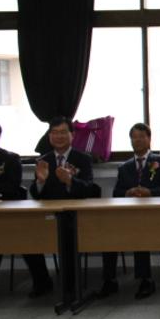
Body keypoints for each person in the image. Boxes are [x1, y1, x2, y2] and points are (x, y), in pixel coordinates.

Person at [98, 123, 160, 300]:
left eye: (141, 136)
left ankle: (145, 280)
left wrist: (150, 192)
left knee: (140, 230)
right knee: (107, 232)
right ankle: (109, 280)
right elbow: (117, 192)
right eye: (134, 137)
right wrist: (128, 192)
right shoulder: (124, 167)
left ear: (149, 139)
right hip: (129, 215)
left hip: (154, 215)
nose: (137, 140)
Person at [28, 116, 94, 299]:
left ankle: (71, 288)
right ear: (49, 136)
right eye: (54, 133)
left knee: (67, 233)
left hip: (74, 215)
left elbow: (90, 189)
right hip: (49, 215)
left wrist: (70, 181)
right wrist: (40, 182)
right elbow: (36, 194)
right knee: (26, 234)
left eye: (63, 132)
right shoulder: (43, 160)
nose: (59, 136)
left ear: (72, 135)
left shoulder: (83, 159)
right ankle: (42, 281)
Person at [0, 121, 27, 278]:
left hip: (9, 212)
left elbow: (12, 187)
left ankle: (42, 281)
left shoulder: (11, 159)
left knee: (28, 240)